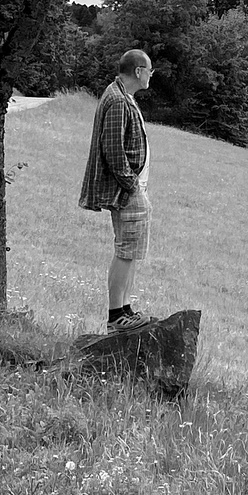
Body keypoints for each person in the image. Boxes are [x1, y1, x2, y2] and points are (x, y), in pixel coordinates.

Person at [78, 48, 156, 334]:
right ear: (138, 71)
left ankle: (125, 309)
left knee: (131, 250)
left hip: (131, 189)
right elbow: (113, 150)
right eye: (149, 70)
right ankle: (116, 316)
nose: (151, 75)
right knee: (126, 250)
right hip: (126, 191)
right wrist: (131, 185)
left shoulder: (122, 96)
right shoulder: (118, 100)